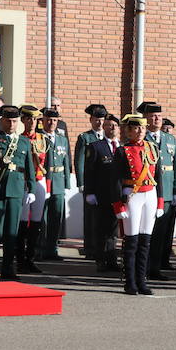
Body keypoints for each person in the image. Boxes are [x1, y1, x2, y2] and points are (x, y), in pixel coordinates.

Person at [0, 105, 36, 280]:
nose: (11, 124)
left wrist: (31, 188)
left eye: (14, 121)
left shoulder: (24, 142)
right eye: (8, 121)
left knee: (12, 232)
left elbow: (29, 168)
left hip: (17, 189)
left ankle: (8, 268)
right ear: (1, 121)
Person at [112, 112, 164, 295]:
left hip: (150, 194)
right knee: (131, 241)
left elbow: (159, 177)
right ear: (128, 131)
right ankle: (130, 281)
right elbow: (115, 180)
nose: (141, 131)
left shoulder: (152, 148)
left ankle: (142, 280)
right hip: (132, 195)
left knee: (145, 240)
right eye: (136, 128)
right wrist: (118, 205)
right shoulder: (121, 151)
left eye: (142, 127)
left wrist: (160, 203)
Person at [139, 101, 176, 278]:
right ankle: (141, 267)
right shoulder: (142, 138)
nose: (157, 119)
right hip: (148, 190)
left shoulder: (170, 139)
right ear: (146, 119)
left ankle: (155, 268)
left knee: (160, 234)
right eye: (152, 116)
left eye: (159, 116)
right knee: (145, 231)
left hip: (165, 194)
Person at [83, 113, 122, 272]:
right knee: (101, 229)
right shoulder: (95, 146)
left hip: (118, 196)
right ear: (103, 127)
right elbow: (89, 172)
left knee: (113, 230)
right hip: (101, 195)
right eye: (108, 125)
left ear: (118, 128)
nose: (111, 128)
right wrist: (90, 192)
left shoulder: (122, 147)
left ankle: (112, 259)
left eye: (114, 125)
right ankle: (101, 260)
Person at [16, 105, 48, 273]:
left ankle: (31, 258)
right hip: (24, 182)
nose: (32, 122)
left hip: (39, 180)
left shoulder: (42, 139)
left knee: (36, 221)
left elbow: (44, 160)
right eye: (29, 119)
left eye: (35, 119)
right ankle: (20, 258)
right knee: (22, 221)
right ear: (23, 120)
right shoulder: (20, 139)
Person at [38, 107, 72, 261]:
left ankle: (52, 249)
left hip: (58, 182)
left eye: (55, 120)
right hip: (43, 181)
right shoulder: (38, 138)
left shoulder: (62, 139)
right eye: (49, 120)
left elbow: (66, 160)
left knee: (55, 218)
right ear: (43, 121)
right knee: (41, 218)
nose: (51, 123)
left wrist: (67, 182)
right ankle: (39, 249)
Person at [76, 104, 108, 259]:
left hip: (105, 184)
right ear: (91, 120)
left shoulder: (108, 137)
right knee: (90, 216)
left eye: (102, 120)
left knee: (103, 217)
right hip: (91, 183)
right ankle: (89, 248)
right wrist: (81, 183)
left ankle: (102, 248)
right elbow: (80, 161)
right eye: (97, 120)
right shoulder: (85, 137)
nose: (100, 123)